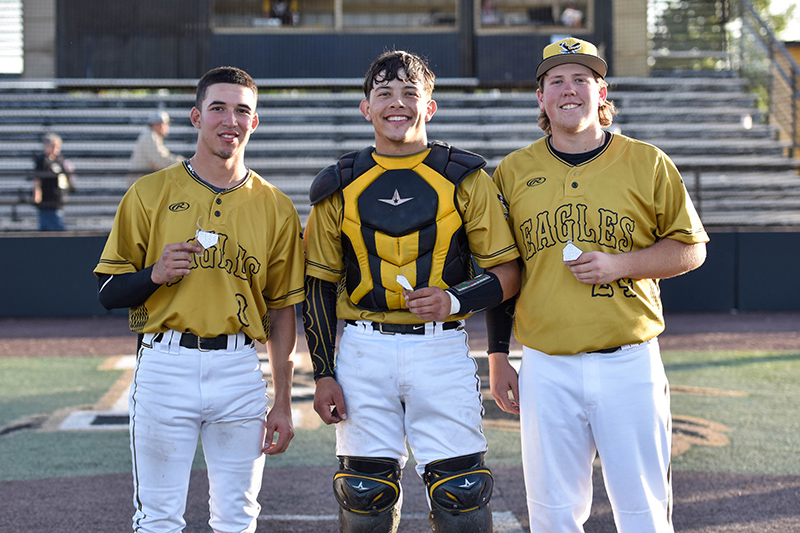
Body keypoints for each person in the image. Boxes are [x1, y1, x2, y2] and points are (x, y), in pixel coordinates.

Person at [486, 37, 709, 533]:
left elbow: (691, 247)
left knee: (644, 513)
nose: (570, 90)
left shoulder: (647, 161)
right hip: (545, 365)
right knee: (553, 515)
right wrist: (499, 357)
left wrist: (621, 264)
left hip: (628, 360)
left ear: (601, 91)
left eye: (581, 79)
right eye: (557, 80)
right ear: (540, 98)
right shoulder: (512, 172)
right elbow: (504, 271)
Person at [302, 50, 520, 533]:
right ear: (366, 108)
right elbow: (316, 286)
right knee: (364, 499)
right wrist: (323, 373)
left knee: (463, 497)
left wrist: (453, 300)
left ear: (430, 105)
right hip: (361, 351)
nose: (396, 104)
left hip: (440, 348)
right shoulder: (337, 185)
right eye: (383, 94)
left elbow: (507, 274)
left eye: (409, 93)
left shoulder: (465, 177)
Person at [94, 66, 305, 533]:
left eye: (241, 110)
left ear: (255, 122)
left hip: (238, 371)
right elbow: (108, 292)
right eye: (218, 108)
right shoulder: (149, 193)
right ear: (195, 117)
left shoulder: (276, 206)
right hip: (165, 366)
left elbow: (282, 310)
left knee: (237, 518)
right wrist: (154, 274)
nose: (230, 120)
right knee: (158, 518)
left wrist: (284, 402)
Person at [127, 110, 185, 187]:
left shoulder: (151, 136)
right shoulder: (149, 137)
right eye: (166, 124)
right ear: (156, 125)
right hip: (141, 183)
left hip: (144, 181)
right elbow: (161, 160)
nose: (167, 127)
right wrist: (182, 163)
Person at [31, 133, 75, 231]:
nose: (56, 149)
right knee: (55, 229)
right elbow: (37, 179)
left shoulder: (59, 160)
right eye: (53, 146)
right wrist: (37, 194)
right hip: (47, 201)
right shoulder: (43, 160)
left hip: (57, 201)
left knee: (50, 228)